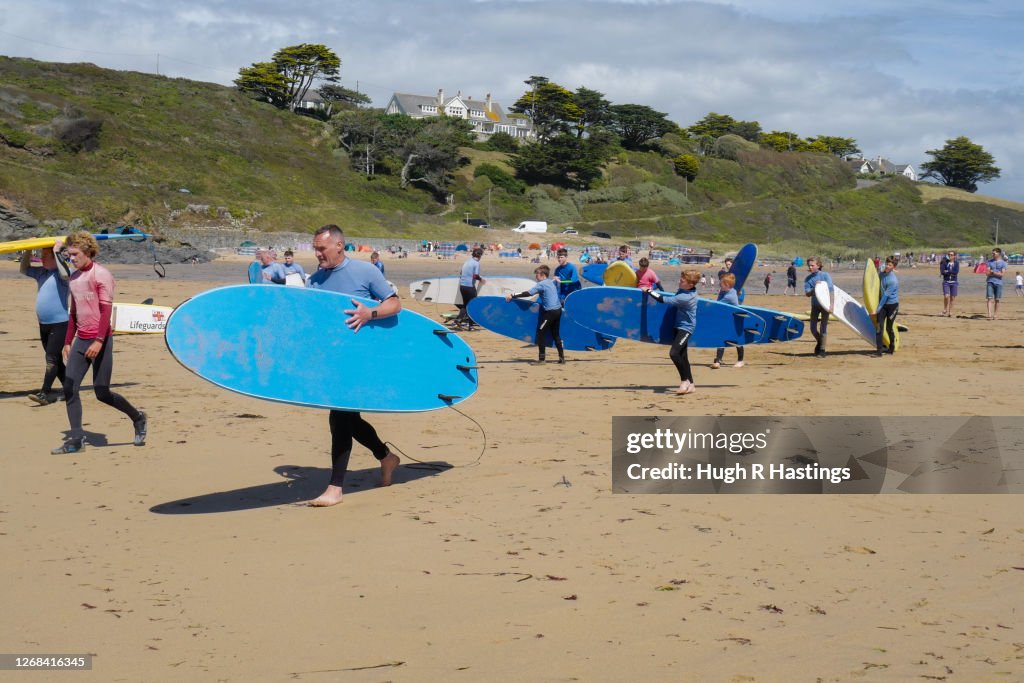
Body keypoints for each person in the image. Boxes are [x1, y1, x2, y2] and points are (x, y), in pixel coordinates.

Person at [306, 224, 401, 507]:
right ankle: (386, 457)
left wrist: (369, 313)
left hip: (360, 360)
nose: (318, 254)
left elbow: (395, 304)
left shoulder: (365, 271)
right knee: (348, 419)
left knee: (340, 419)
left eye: (321, 249)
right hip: (332, 360)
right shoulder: (315, 280)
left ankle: (335, 487)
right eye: (315, 249)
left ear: (339, 245)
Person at [52, 231, 147, 454]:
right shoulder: (74, 278)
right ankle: (76, 440)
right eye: (69, 254)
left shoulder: (101, 275)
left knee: (102, 392)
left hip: (100, 339)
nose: (72, 258)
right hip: (81, 340)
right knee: (69, 387)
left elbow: (106, 312)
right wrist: (68, 341)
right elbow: (74, 313)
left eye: (75, 254)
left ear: (87, 252)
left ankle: (138, 417)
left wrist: (98, 341)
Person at [20, 245, 70, 405]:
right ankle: (71, 390)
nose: (42, 258)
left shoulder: (63, 276)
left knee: (51, 359)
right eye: (42, 255)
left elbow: (65, 272)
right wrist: (27, 249)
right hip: (44, 325)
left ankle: (45, 393)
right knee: (55, 360)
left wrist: (57, 252)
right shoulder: (42, 272)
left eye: (46, 255)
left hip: (59, 324)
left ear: (56, 258)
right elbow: (24, 269)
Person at [643, 269, 700, 395]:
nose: (679, 281)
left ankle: (684, 381)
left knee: (674, 354)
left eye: (682, 280)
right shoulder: (687, 290)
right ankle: (691, 385)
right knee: (683, 357)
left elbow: (663, 300)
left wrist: (649, 290)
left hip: (686, 328)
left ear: (690, 284)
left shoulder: (685, 297)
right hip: (678, 326)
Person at [506, 265, 565, 364]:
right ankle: (562, 358)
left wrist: (513, 295)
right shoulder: (550, 282)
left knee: (540, 333)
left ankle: (542, 360)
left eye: (537, 275)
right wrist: (554, 279)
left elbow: (529, 293)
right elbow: (552, 281)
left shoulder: (541, 284)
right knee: (555, 334)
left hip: (550, 312)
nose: (536, 277)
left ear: (542, 275)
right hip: (558, 310)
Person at [711, 273, 744, 369]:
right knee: (721, 338)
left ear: (727, 285)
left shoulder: (729, 296)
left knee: (737, 340)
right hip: (727, 320)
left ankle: (740, 360)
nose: (719, 285)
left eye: (721, 283)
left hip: (734, 321)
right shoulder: (731, 291)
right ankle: (718, 360)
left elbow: (717, 305)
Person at [804, 256, 834, 358]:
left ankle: (822, 350)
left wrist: (832, 305)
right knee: (812, 328)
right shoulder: (808, 279)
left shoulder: (825, 275)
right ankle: (820, 342)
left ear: (818, 265)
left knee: (823, 327)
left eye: (812, 265)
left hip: (825, 305)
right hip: (815, 305)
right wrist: (815, 289)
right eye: (809, 265)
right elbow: (807, 294)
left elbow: (831, 290)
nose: (810, 267)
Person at [872, 256, 900, 356]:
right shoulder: (882, 274)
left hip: (892, 306)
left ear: (894, 267)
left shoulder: (893, 281)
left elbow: (885, 296)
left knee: (888, 328)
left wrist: (877, 309)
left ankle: (891, 347)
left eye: (890, 265)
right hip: (883, 305)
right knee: (879, 327)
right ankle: (879, 351)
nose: (887, 266)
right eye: (887, 264)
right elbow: (875, 284)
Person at [454, 247, 485, 330]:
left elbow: (461, 273)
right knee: (472, 305)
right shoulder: (476, 263)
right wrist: (481, 279)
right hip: (469, 287)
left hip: (462, 286)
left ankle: (458, 320)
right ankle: (470, 326)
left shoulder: (467, 262)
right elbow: (475, 276)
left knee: (465, 305)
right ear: (479, 256)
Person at [985, 248, 1007, 319]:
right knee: (989, 298)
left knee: (997, 299)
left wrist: (993, 272)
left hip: (999, 283)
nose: (993, 254)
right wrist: (994, 273)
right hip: (990, 281)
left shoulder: (1003, 263)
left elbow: (1002, 274)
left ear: (999, 254)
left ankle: (995, 315)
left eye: (994, 253)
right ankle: (989, 314)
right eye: (992, 253)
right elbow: (987, 273)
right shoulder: (989, 262)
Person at [940, 250, 959, 316]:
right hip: (946, 282)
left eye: (951, 255)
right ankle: (945, 309)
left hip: (954, 282)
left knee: (952, 297)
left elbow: (956, 272)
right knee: (946, 296)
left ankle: (950, 311)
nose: (950, 256)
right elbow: (942, 272)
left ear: (954, 256)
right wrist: (950, 272)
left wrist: (947, 271)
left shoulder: (956, 263)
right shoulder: (944, 262)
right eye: (949, 255)